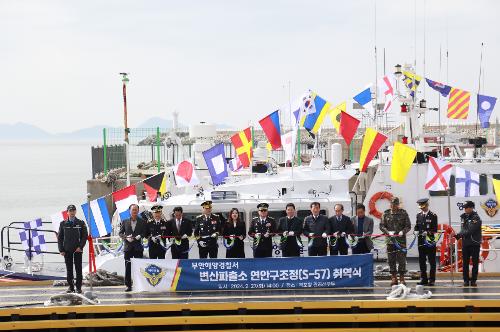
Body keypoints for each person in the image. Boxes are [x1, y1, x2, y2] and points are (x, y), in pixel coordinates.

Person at [380, 197, 411, 286]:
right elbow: (382, 226)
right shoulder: (386, 214)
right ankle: (393, 277)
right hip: (390, 240)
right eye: (392, 204)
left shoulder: (403, 213)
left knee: (402, 259)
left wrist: (403, 232)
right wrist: (387, 232)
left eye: (395, 204)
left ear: (398, 205)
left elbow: (408, 226)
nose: (393, 206)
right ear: (390, 204)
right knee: (391, 259)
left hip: (401, 241)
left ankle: (401, 277)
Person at [58, 204, 88, 293]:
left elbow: (84, 236)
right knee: (69, 269)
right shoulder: (63, 224)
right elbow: (60, 238)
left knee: (78, 269)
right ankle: (71, 287)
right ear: (67, 212)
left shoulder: (81, 223)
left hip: (78, 250)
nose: (72, 212)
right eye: (70, 211)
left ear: (75, 212)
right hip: (67, 250)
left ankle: (78, 287)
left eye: (73, 210)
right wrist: (61, 250)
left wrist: (80, 247)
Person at [119, 204, 147, 292]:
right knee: (128, 267)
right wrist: (126, 237)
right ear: (129, 211)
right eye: (133, 210)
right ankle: (128, 285)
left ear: (138, 211)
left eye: (136, 210)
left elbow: (145, 233)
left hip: (138, 248)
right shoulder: (125, 221)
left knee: (139, 267)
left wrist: (140, 236)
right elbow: (120, 233)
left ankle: (140, 284)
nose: (134, 211)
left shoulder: (142, 221)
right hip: (128, 248)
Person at [455, 200, 482, 287]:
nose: (465, 209)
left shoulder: (476, 218)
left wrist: (459, 235)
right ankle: (466, 280)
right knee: (465, 263)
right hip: (466, 243)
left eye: (466, 208)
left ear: (471, 208)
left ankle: (473, 280)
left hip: (474, 243)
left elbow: (470, 230)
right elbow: (463, 229)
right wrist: (458, 234)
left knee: (474, 263)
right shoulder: (464, 217)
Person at [414, 198, 438, 286]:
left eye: (423, 207)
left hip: (430, 240)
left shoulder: (433, 216)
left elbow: (435, 229)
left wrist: (427, 232)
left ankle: (432, 279)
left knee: (432, 261)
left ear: (427, 205)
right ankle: (423, 279)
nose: (422, 209)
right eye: (421, 207)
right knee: (422, 261)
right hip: (421, 241)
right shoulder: (419, 215)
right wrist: (415, 231)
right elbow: (417, 226)